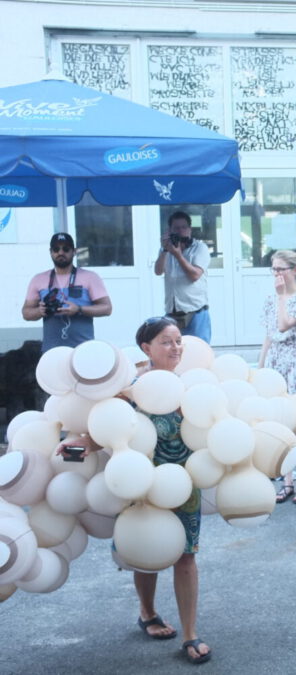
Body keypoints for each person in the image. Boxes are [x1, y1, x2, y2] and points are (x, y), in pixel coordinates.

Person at [57, 317, 211, 664]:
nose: (176, 348)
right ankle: (148, 613)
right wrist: (77, 444)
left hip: (182, 483)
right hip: (138, 481)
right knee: (148, 550)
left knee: (186, 556)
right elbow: (107, 431)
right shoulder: (130, 391)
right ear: (147, 348)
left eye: (178, 341)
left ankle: (190, 634)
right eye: (166, 342)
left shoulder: (192, 383)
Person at [259, 250, 296, 505]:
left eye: (281, 269)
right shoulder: (271, 299)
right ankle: (287, 480)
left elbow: (284, 325)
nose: (277, 274)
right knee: (280, 424)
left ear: (294, 270)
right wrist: (260, 367)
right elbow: (270, 334)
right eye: (274, 270)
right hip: (277, 361)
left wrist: (282, 296)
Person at [22, 232, 112, 351]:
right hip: (51, 351)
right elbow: (26, 313)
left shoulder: (90, 277)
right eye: (56, 249)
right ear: (50, 252)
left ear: (74, 252)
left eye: (66, 249)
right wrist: (40, 311)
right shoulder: (38, 279)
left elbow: (107, 308)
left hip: (83, 350)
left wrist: (79, 309)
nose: (60, 253)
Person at [155, 211, 211, 343]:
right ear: (170, 230)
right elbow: (158, 271)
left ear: (190, 229)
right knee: (173, 355)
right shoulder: (167, 249)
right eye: (176, 228)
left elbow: (195, 275)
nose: (180, 231)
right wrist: (164, 250)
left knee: (199, 352)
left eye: (184, 227)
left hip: (195, 312)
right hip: (172, 311)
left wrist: (178, 255)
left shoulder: (200, 248)